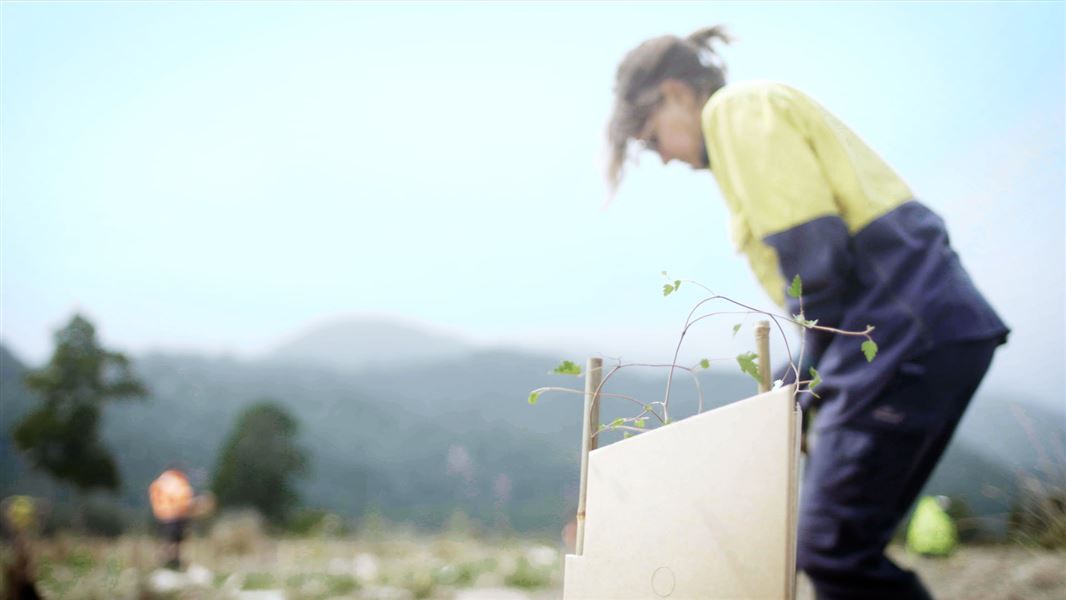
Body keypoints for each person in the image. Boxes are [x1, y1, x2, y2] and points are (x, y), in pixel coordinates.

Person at [606, 26, 1009, 600]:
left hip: (903, 331)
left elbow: (815, 259)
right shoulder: (747, 122)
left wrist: (806, 382)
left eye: (650, 140)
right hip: (914, 328)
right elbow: (824, 282)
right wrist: (798, 379)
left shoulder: (735, 111)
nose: (664, 158)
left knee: (830, 548)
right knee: (839, 546)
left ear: (674, 93)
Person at [149, 467, 215, 570]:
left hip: (161, 515)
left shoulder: (160, 481)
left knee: (166, 541)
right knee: (176, 542)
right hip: (176, 515)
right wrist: (197, 503)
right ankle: (173, 563)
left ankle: (165, 563)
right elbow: (183, 501)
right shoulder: (178, 482)